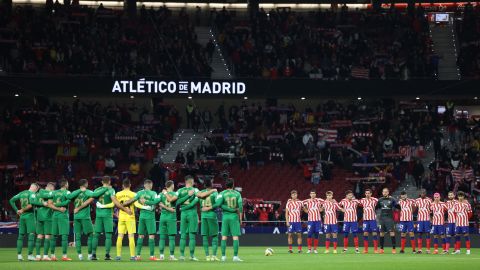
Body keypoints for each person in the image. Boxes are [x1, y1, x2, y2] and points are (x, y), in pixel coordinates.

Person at [91, 176, 132, 260]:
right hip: (108, 215)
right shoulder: (111, 190)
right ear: (109, 182)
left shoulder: (97, 190)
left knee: (96, 235)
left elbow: (92, 200)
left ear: (102, 182)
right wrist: (125, 209)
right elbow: (115, 203)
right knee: (108, 236)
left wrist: (98, 205)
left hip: (98, 215)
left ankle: (93, 255)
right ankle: (107, 255)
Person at [70, 179, 108, 260]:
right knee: (91, 235)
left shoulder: (74, 192)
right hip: (85, 217)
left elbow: (68, 197)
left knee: (78, 236)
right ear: (85, 184)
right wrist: (105, 188)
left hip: (76, 216)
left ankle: (80, 256)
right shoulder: (88, 192)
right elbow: (96, 194)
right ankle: (90, 255)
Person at [123, 179, 159, 261]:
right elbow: (156, 201)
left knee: (140, 236)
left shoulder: (139, 193)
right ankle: (152, 256)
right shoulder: (153, 193)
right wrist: (148, 203)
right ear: (151, 185)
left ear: (144, 185)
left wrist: (124, 204)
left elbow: (133, 200)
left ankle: (138, 256)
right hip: (150, 216)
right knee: (151, 236)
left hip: (142, 216)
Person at [144, 180, 179, 261]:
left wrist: (146, 202)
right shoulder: (175, 193)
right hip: (171, 217)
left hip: (162, 217)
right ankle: (171, 256)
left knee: (162, 238)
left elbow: (156, 202)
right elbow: (172, 201)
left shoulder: (160, 194)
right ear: (172, 185)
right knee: (171, 238)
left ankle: (162, 255)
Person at [210, 178, 243, 262]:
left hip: (225, 217)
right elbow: (240, 206)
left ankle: (223, 256)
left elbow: (218, 204)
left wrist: (226, 208)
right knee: (235, 237)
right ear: (233, 185)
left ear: (226, 185)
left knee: (224, 237)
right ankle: (235, 257)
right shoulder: (237, 194)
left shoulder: (222, 193)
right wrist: (240, 218)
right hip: (234, 217)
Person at [9, 183, 41, 261]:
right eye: (37, 190)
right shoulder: (32, 194)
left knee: (20, 236)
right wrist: (22, 210)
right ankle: (30, 255)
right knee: (31, 235)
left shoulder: (21, 193)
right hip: (30, 216)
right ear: (35, 189)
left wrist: (17, 210)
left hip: (22, 217)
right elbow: (31, 205)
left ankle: (19, 255)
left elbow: (11, 200)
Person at [49, 179, 79, 261]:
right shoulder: (68, 192)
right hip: (63, 215)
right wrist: (60, 208)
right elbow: (67, 203)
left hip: (54, 215)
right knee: (64, 236)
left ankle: (52, 256)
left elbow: (50, 204)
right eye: (68, 184)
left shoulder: (54, 192)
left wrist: (56, 205)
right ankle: (64, 256)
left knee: (53, 236)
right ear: (66, 185)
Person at [176, 175, 200, 261]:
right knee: (192, 236)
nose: (194, 183)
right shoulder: (195, 190)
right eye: (193, 181)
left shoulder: (179, 190)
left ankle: (182, 255)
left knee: (183, 235)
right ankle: (192, 256)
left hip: (183, 214)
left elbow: (177, 202)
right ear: (190, 181)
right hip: (192, 213)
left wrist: (183, 208)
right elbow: (196, 201)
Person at [196, 178, 220, 261]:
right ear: (211, 185)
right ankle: (213, 256)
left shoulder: (200, 192)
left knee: (205, 236)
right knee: (215, 236)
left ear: (204, 185)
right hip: (212, 215)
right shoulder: (214, 192)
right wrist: (209, 207)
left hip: (203, 216)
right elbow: (218, 203)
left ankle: (207, 256)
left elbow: (198, 200)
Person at [114, 178, 137, 261]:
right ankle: (132, 256)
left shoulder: (118, 194)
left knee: (120, 236)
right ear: (130, 185)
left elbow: (116, 205)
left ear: (123, 185)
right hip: (130, 217)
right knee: (131, 236)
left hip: (121, 217)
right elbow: (137, 204)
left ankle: (118, 256)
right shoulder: (134, 194)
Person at [34, 182, 55, 261]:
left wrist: (41, 203)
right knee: (47, 236)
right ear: (51, 187)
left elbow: (33, 202)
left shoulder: (38, 193)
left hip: (39, 217)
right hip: (48, 217)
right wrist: (44, 203)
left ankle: (38, 256)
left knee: (39, 235)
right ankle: (45, 256)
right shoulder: (50, 193)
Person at [377, 188, 397, 253]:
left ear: (388, 192)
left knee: (392, 233)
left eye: (386, 192)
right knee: (381, 233)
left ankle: (394, 249)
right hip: (382, 218)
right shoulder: (380, 200)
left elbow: (397, 207)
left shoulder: (392, 199)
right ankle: (381, 249)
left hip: (390, 218)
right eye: (383, 192)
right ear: (382, 193)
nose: (385, 193)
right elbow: (376, 208)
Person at [359, 189, 379, 253]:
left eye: (368, 193)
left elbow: (381, 201)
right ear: (365, 194)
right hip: (365, 220)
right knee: (365, 233)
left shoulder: (375, 200)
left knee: (374, 233)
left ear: (371, 194)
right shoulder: (362, 200)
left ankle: (375, 249)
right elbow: (355, 202)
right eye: (366, 193)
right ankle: (366, 249)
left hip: (372, 219)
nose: (367, 194)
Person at [415, 189, 432, 254]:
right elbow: (414, 208)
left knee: (428, 233)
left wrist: (431, 218)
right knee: (419, 233)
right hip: (420, 220)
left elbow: (432, 210)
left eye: (424, 193)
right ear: (420, 193)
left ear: (426, 193)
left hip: (427, 219)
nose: (423, 194)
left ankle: (428, 250)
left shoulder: (429, 200)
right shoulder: (417, 200)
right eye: (421, 193)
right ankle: (420, 249)